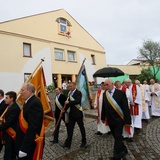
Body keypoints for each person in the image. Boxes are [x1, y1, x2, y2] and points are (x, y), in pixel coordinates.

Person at [101, 79, 131, 160]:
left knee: (117, 137)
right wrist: (102, 117)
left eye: (108, 84)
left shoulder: (121, 93)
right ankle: (124, 149)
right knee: (116, 137)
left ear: (112, 84)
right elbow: (104, 106)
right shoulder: (105, 94)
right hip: (110, 120)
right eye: (105, 85)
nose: (106, 86)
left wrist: (128, 121)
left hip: (119, 120)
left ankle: (116, 156)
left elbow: (125, 108)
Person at [15, 83, 44, 160]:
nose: (20, 92)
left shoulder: (34, 103)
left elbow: (32, 127)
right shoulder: (28, 102)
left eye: (22, 90)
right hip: (22, 139)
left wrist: (24, 148)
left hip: (28, 144)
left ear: (30, 91)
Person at [62, 82, 86, 149]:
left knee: (81, 127)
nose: (70, 88)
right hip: (71, 114)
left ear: (74, 86)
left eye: (71, 86)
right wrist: (64, 109)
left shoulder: (78, 93)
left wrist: (69, 102)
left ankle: (84, 141)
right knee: (70, 129)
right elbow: (68, 103)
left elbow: (77, 101)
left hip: (78, 113)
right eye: (69, 87)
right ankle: (68, 143)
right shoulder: (69, 93)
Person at [0, 91, 20, 160]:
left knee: (10, 155)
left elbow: (9, 123)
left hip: (11, 135)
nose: (5, 99)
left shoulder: (14, 108)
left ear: (12, 99)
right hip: (7, 135)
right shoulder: (10, 107)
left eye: (6, 98)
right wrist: (3, 120)